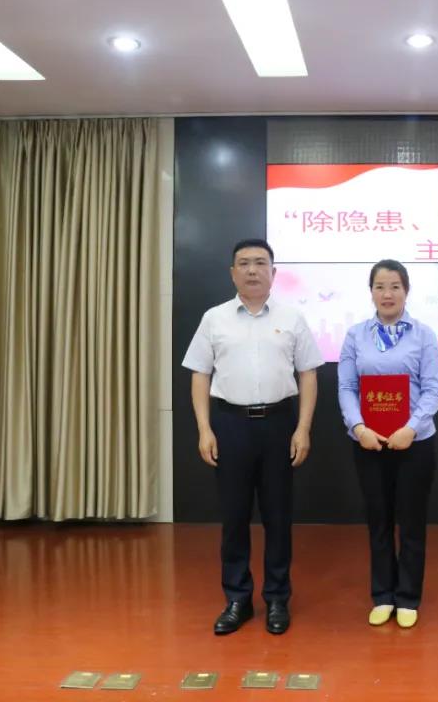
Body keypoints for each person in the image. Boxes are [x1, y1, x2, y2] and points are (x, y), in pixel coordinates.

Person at [182, 238, 322, 636]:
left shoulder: (292, 317)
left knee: (278, 517)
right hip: (231, 424)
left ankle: (277, 597)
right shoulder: (214, 318)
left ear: (274, 272)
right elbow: (200, 374)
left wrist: (303, 428)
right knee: (234, 517)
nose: (252, 270)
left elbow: (308, 374)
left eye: (261, 263)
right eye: (243, 263)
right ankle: (237, 598)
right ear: (232, 273)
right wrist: (204, 429)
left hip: (279, 424)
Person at [337, 259, 438, 629]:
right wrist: (358, 427)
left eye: (395, 286)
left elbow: (432, 389)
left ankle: (408, 596)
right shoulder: (356, 335)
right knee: (378, 521)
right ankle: (383, 595)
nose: (387, 294)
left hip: (414, 443)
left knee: (411, 522)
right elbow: (346, 387)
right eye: (380, 286)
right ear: (371, 292)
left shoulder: (423, 335)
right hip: (369, 443)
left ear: (406, 291)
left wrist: (411, 428)